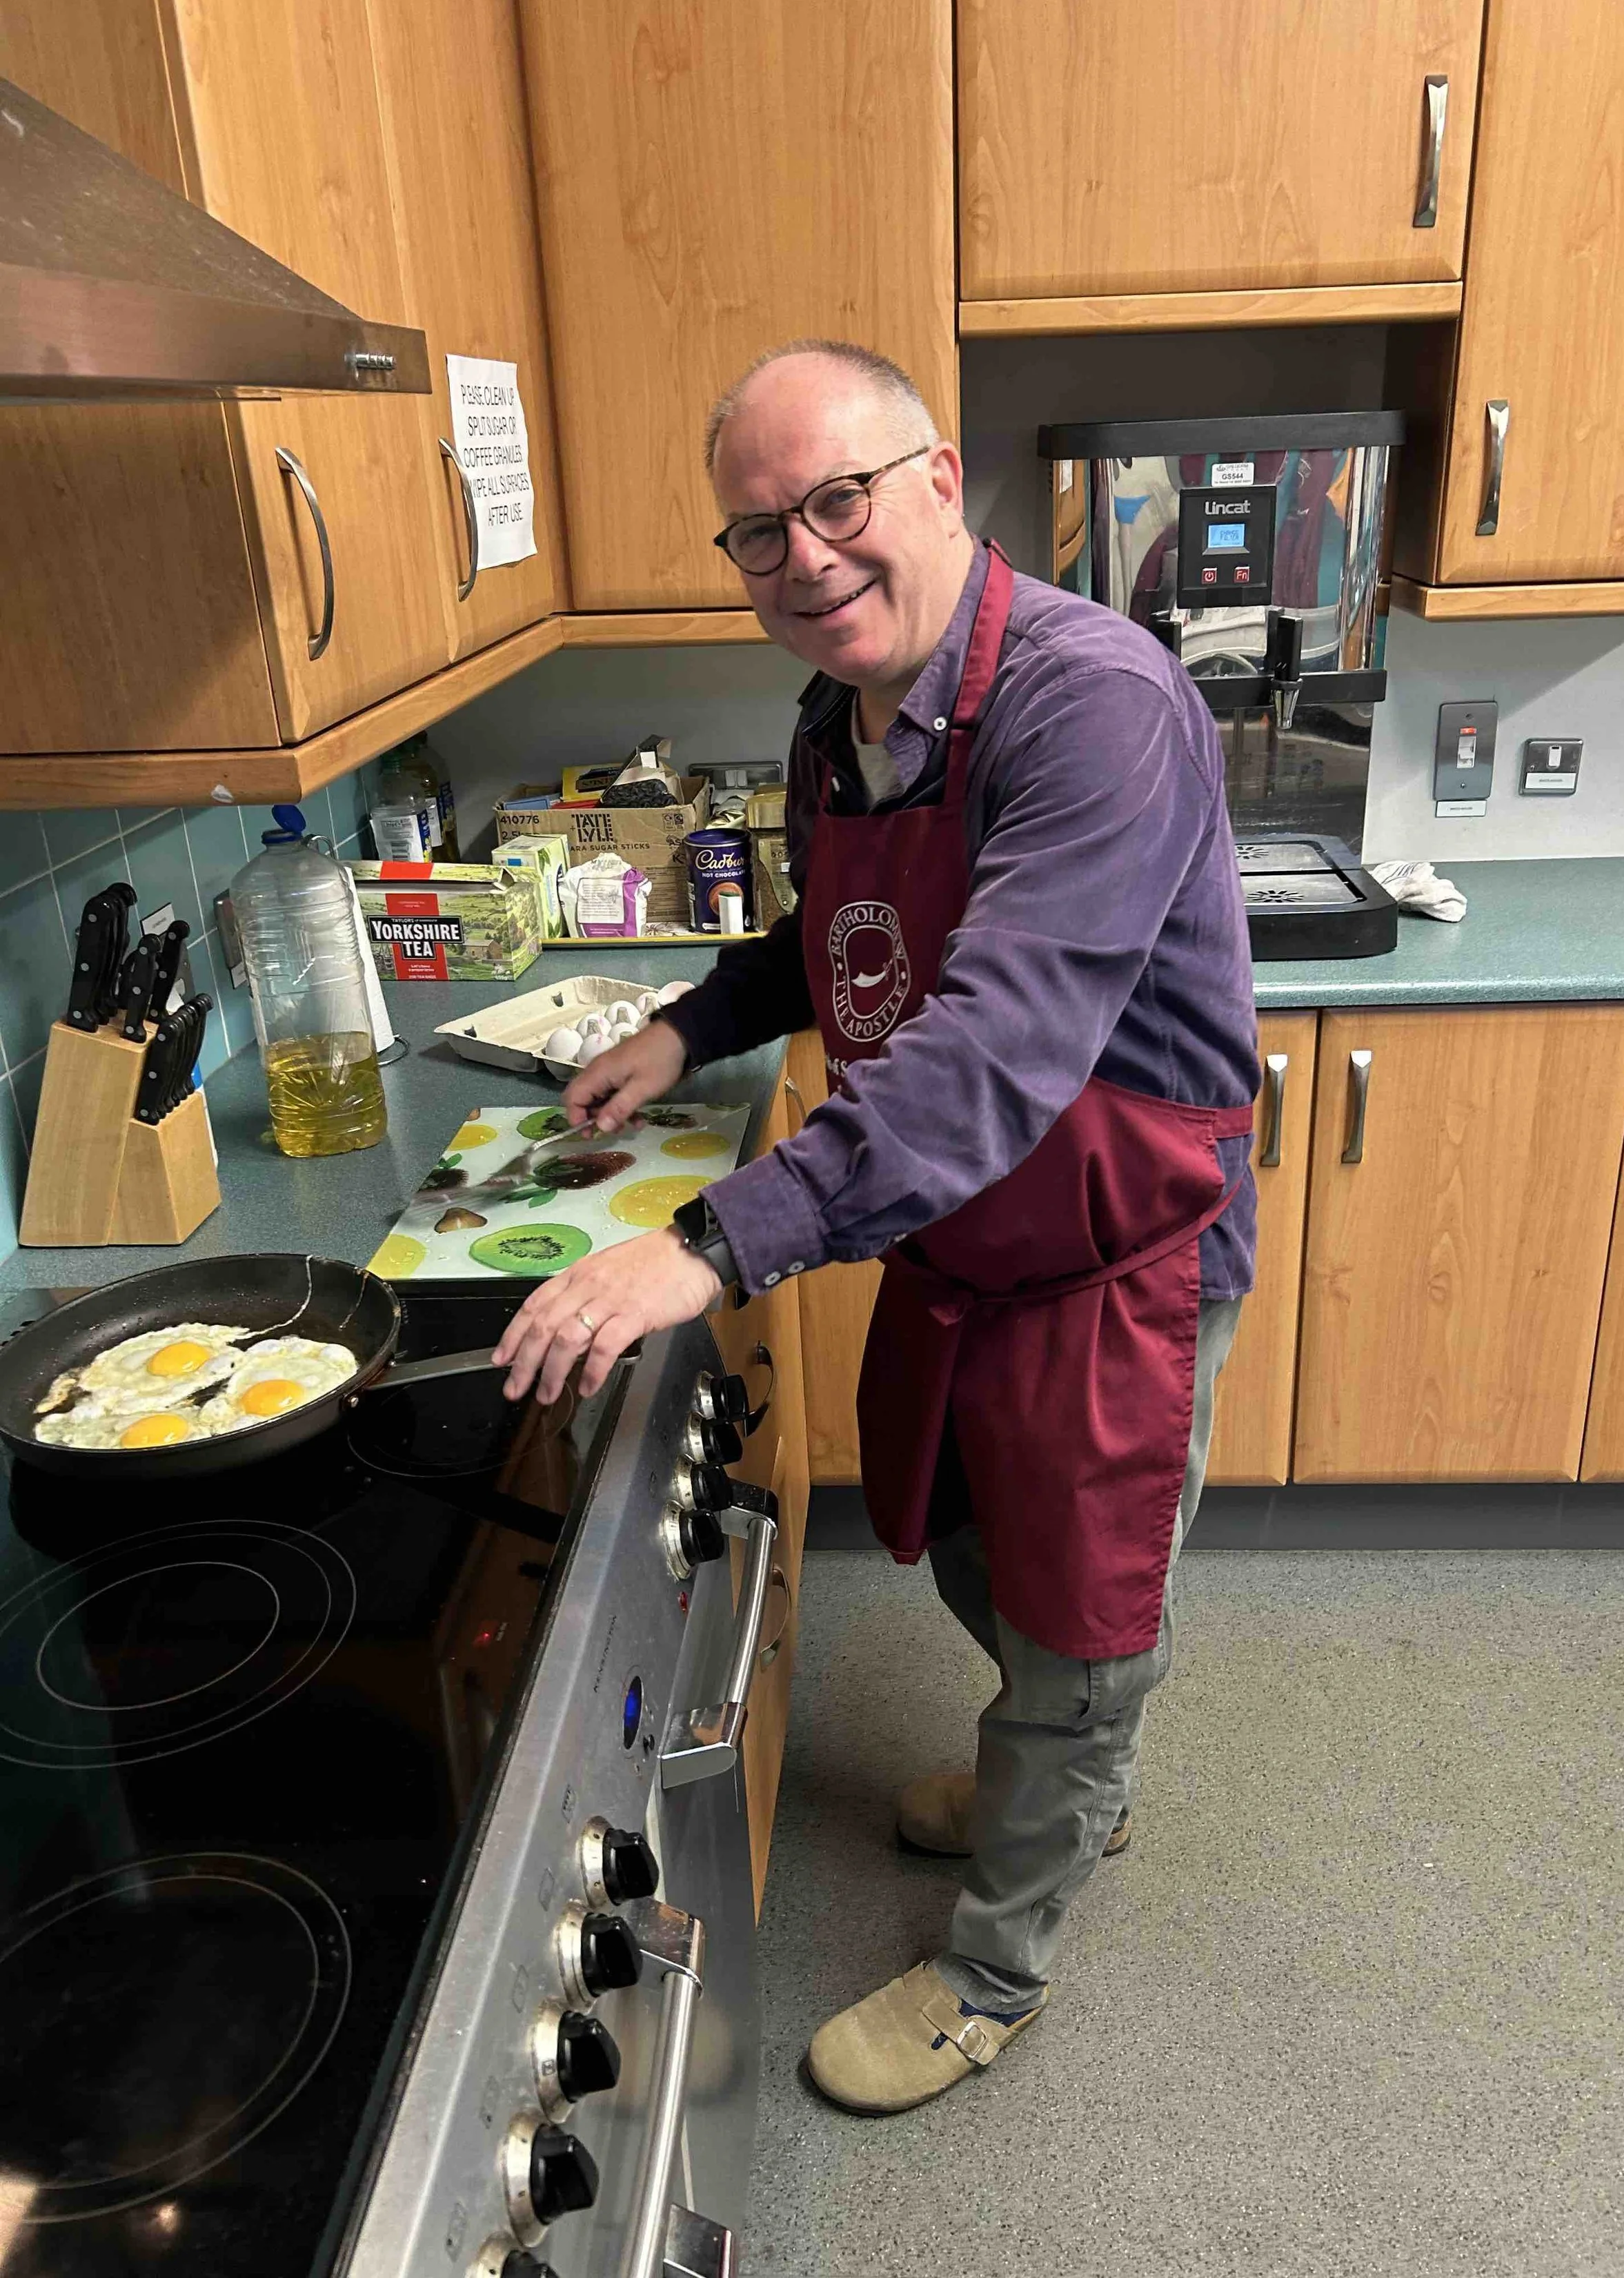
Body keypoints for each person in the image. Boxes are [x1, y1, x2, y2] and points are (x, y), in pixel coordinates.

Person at [495, 339, 1260, 2114]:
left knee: (1080, 1614)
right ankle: (1061, 1765)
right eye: (757, 531)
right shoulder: (837, 721)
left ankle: (1002, 1955)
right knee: (984, 1549)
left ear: (936, 478)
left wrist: (705, 1240)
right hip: (957, 1220)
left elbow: (992, 1043)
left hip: (1114, 1244)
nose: (806, 554)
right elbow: (823, 941)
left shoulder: (1094, 703)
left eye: (835, 498)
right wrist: (687, 1024)